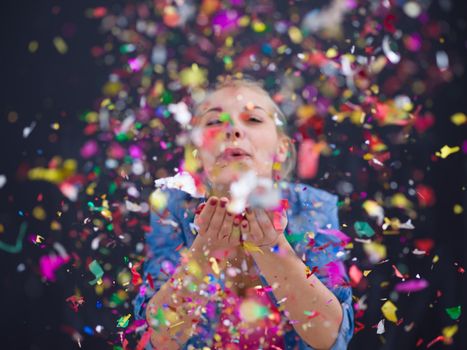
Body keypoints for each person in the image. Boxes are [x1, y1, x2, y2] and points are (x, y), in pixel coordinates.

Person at [134, 76, 354, 349]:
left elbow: (330, 338)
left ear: (282, 149)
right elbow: (162, 339)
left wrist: (273, 246)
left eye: (253, 119)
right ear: (196, 151)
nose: (234, 130)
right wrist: (206, 252)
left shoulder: (313, 206)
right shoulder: (174, 207)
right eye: (214, 122)